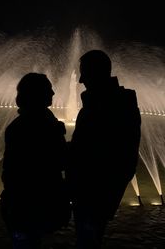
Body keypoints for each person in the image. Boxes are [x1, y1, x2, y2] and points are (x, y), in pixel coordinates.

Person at [68, 50, 141, 249]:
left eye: (84, 73)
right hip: (93, 193)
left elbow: (106, 155)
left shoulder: (109, 108)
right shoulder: (112, 104)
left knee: (88, 241)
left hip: (93, 194)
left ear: (97, 73)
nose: (80, 79)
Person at [0, 72, 71, 249]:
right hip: (29, 208)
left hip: (25, 207)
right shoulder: (37, 125)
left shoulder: (30, 122)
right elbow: (55, 161)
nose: (53, 93)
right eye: (49, 89)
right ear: (36, 93)